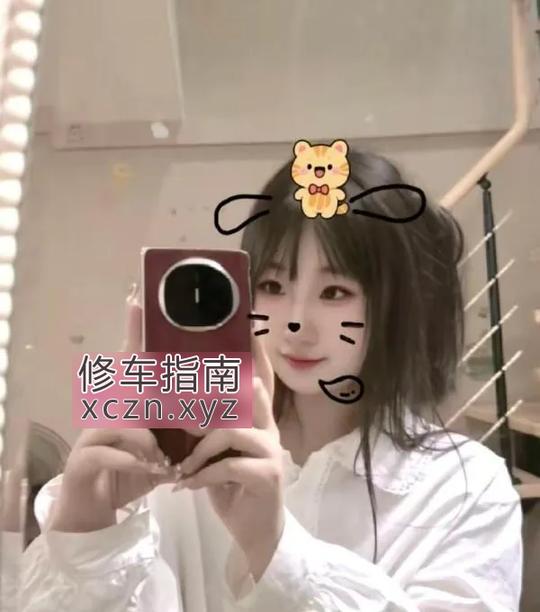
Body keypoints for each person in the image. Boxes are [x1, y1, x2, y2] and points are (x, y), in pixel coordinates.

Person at [18, 150, 523, 611]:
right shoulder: (179, 459)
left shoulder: (463, 489)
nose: (296, 322)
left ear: (395, 306)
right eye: (273, 285)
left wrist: (276, 548)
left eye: (335, 292)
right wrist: (86, 537)